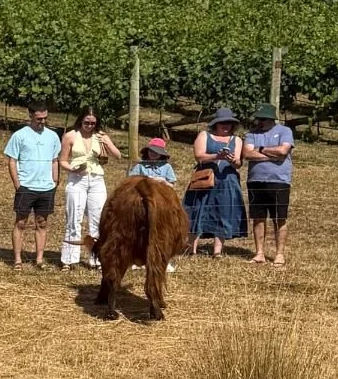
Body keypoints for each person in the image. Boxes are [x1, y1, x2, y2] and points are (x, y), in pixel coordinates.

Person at [58, 108, 122, 269]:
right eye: (87, 122)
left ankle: (97, 258)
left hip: (96, 179)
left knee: (98, 218)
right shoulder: (71, 136)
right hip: (77, 179)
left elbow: (118, 155)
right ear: (81, 120)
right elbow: (63, 160)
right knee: (74, 217)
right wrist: (73, 169)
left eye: (93, 123)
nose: (89, 126)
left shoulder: (100, 136)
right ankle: (69, 259)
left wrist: (106, 142)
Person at [183, 107, 248, 258]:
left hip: (227, 181)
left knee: (223, 212)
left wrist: (233, 160)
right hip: (205, 179)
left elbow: (239, 163)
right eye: (222, 123)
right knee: (198, 210)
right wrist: (216, 156)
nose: (225, 125)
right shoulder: (204, 135)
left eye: (229, 123)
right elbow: (199, 156)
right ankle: (191, 249)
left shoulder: (236, 140)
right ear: (215, 124)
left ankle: (217, 251)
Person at [4, 103, 60, 270]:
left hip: (46, 187)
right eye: (39, 119)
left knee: (42, 223)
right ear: (30, 116)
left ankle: (40, 259)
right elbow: (12, 160)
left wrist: (55, 180)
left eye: (45, 118)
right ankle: (18, 260)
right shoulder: (20, 136)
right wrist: (17, 184)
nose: (42, 122)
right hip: (26, 186)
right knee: (21, 222)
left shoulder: (52, 136)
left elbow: (54, 160)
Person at [242, 103, 294, 266]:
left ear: (271, 119)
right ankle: (259, 253)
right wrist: (270, 156)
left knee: (280, 218)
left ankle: (279, 254)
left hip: (279, 181)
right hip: (256, 181)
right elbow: (247, 153)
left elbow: (283, 151)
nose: (260, 122)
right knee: (258, 217)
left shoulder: (285, 131)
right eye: (259, 119)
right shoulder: (251, 134)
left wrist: (261, 149)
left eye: (263, 119)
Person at [127, 137, 178, 273]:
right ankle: (137, 260)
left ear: (162, 154)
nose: (154, 154)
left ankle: (164, 260)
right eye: (151, 151)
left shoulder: (167, 167)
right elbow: (130, 182)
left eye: (157, 152)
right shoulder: (140, 165)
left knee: (162, 232)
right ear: (147, 151)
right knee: (139, 231)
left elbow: (172, 185)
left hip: (161, 204)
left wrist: (162, 181)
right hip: (141, 203)